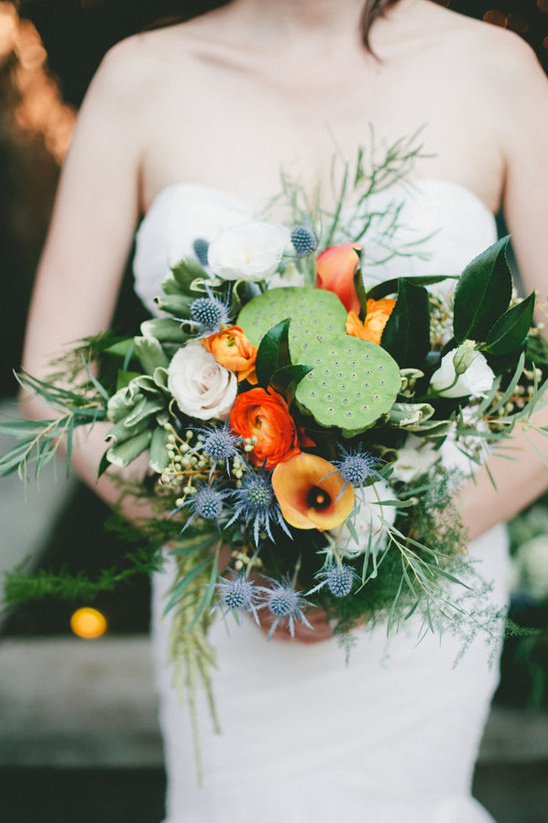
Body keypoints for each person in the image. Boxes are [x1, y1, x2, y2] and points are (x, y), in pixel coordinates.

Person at [20, 0, 548, 820]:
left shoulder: (495, 70)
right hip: (221, 591)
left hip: (431, 578)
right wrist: (214, 532)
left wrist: (399, 550)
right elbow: (52, 381)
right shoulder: (141, 78)